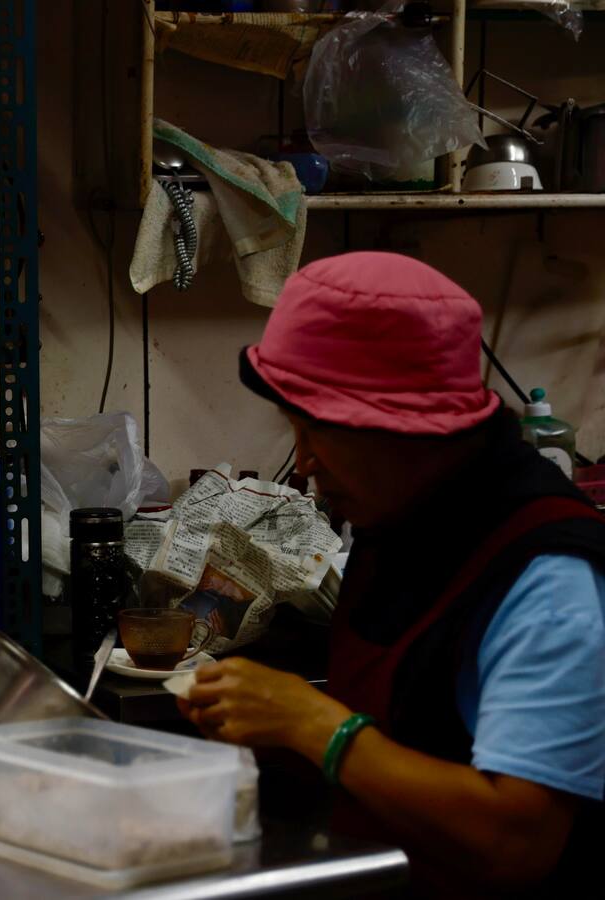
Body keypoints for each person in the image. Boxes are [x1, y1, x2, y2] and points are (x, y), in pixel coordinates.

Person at [177, 252, 605, 896]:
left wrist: (314, 724)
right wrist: (271, 735)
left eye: (319, 432)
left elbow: (516, 841)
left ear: (408, 429)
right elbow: (411, 732)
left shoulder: (545, 579)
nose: (305, 464)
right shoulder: (402, 516)